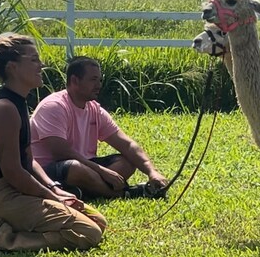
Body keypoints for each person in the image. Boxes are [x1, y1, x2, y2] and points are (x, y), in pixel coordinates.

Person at [0, 34, 106, 252]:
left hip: (19, 192)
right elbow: (13, 172)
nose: (41, 65)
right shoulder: (5, 109)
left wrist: (54, 188)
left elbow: (29, 160)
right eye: (34, 60)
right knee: (89, 232)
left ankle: (12, 231)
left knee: (98, 221)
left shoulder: (18, 103)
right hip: (3, 198)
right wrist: (51, 197)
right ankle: (6, 240)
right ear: (13, 67)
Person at [30, 56, 168, 200]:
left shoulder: (94, 110)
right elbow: (60, 152)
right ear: (75, 81)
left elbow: (127, 145)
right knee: (76, 168)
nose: (99, 85)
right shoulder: (54, 106)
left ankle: (81, 191)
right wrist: (102, 171)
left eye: (100, 80)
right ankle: (125, 194)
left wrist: (152, 172)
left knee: (127, 162)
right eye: (93, 80)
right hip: (47, 170)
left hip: (85, 165)